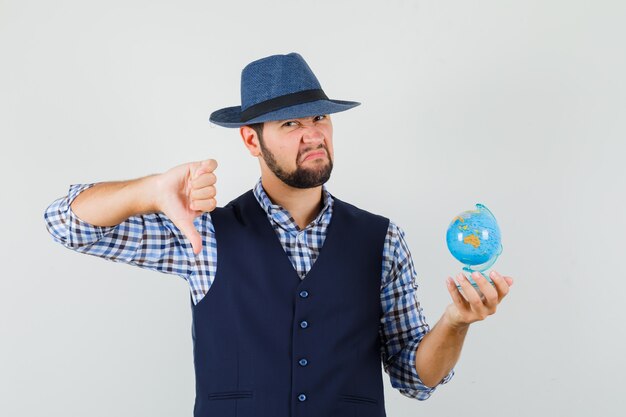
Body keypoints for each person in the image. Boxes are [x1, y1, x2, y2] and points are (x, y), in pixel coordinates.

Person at [44, 52, 513, 417]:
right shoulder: (202, 235)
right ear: (252, 140)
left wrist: (456, 321)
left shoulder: (383, 239)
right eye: (291, 123)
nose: (313, 135)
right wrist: (149, 190)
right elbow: (66, 223)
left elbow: (417, 379)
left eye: (319, 119)